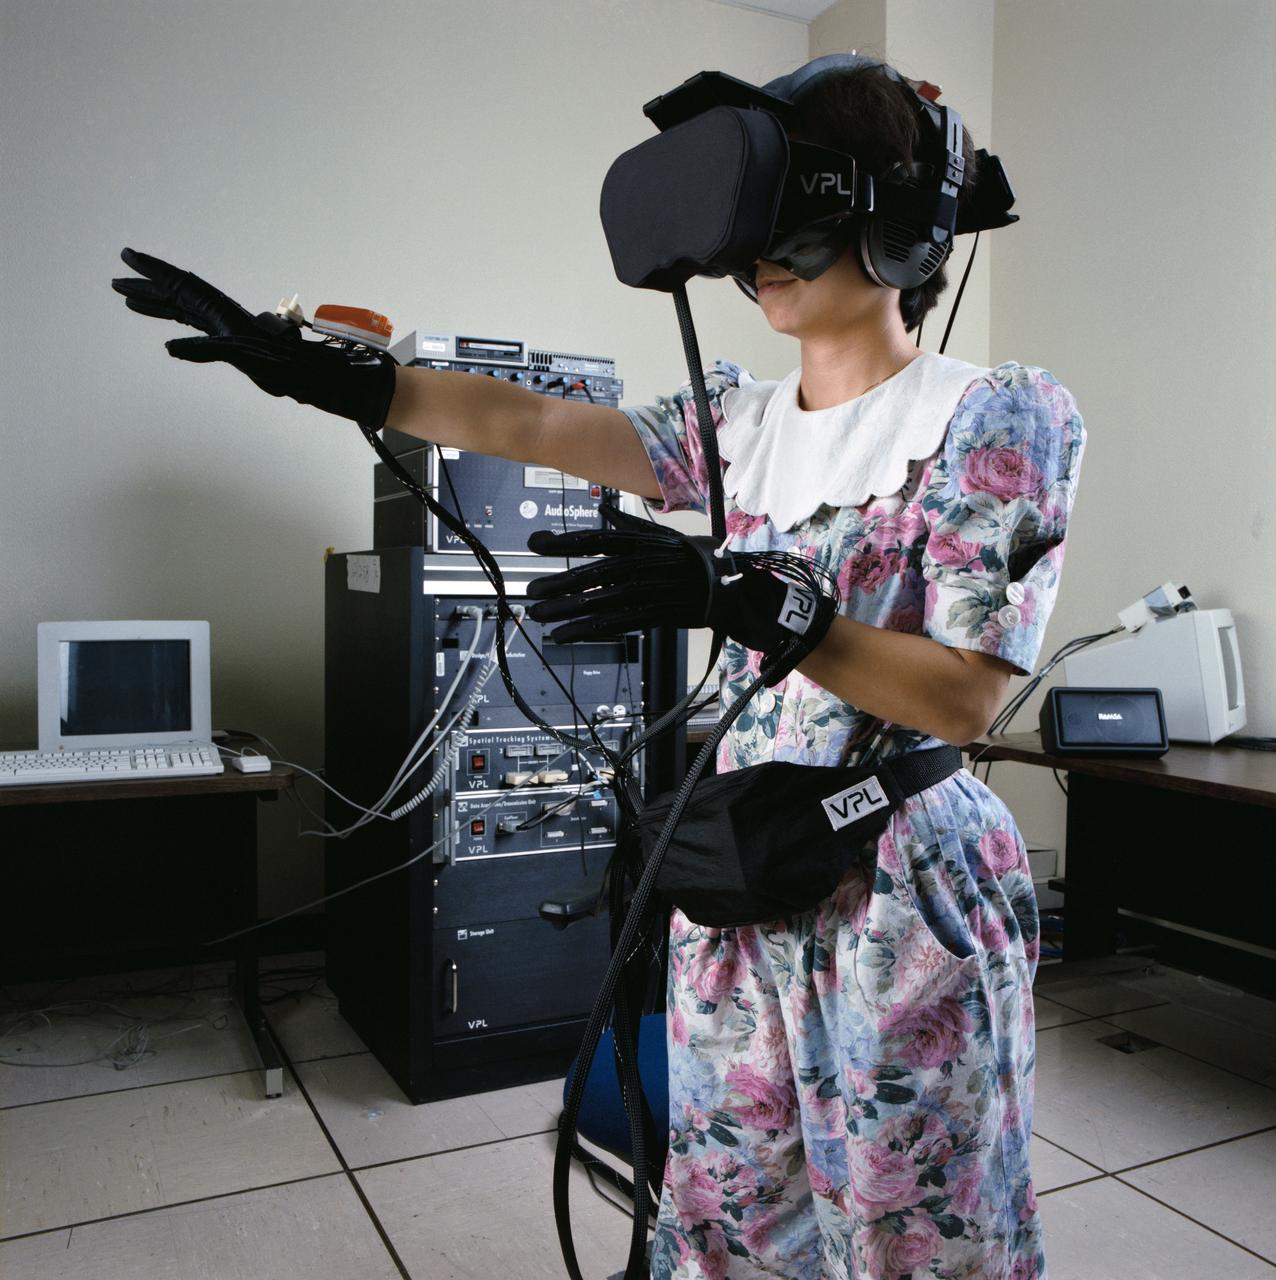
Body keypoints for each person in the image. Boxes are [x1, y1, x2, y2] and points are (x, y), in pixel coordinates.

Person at [115, 55, 1083, 1280]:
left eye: (790, 222)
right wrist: (342, 378)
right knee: (728, 1208)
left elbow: (963, 693)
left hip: (899, 883)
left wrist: (752, 602)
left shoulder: (997, 414)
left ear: (892, 223)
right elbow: (527, 423)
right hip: (739, 867)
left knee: (910, 1233)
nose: (756, 262)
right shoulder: (735, 421)